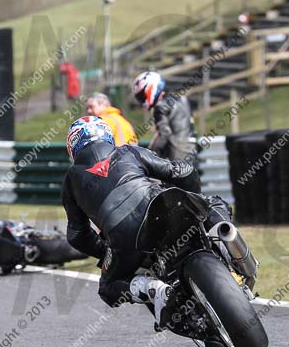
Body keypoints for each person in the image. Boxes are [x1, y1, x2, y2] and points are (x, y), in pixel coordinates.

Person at [61, 116, 232, 334]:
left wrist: (104, 252)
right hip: (159, 207)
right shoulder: (128, 151)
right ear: (107, 134)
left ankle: (151, 289)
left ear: (73, 147)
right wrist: (192, 196)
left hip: (122, 238)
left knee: (107, 288)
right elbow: (180, 171)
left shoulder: (71, 179)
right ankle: (228, 244)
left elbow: (76, 234)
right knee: (214, 203)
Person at [132, 71, 195, 160]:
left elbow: (164, 134)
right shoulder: (182, 99)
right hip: (191, 151)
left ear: (150, 89)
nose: (141, 100)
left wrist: (150, 156)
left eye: (141, 96)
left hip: (177, 157)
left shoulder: (160, 107)